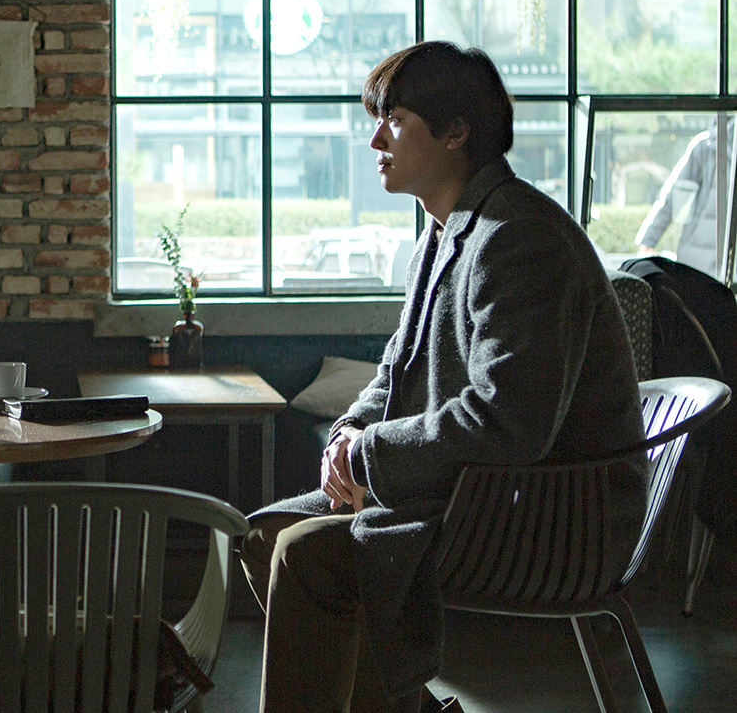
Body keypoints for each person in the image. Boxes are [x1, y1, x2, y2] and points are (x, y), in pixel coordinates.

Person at [237, 41, 646, 713]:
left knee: (308, 555)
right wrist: (349, 433)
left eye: (395, 121)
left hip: (552, 518)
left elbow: (509, 422)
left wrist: (368, 454)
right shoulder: (445, 231)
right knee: (263, 535)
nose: (376, 139)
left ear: (455, 132)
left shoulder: (519, 237)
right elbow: (394, 371)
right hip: (477, 496)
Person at [634, 115, 734, 279]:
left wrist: (649, 239)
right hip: (707, 262)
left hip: (696, 264)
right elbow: (676, 193)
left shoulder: (707, 145)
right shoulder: (707, 147)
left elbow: (674, 193)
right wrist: (649, 238)